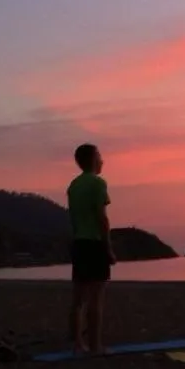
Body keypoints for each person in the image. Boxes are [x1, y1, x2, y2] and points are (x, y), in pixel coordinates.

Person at [66, 143, 115, 355]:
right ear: (94, 159)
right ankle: (95, 346)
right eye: (100, 156)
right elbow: (102, 218)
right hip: (94, 243)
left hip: (79, 242)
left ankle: (78, 344)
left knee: (78, 298)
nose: (102, 160)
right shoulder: (97, 183)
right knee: (96, 297)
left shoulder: (74, 185)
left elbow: (74, 217)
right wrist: (108, 247)